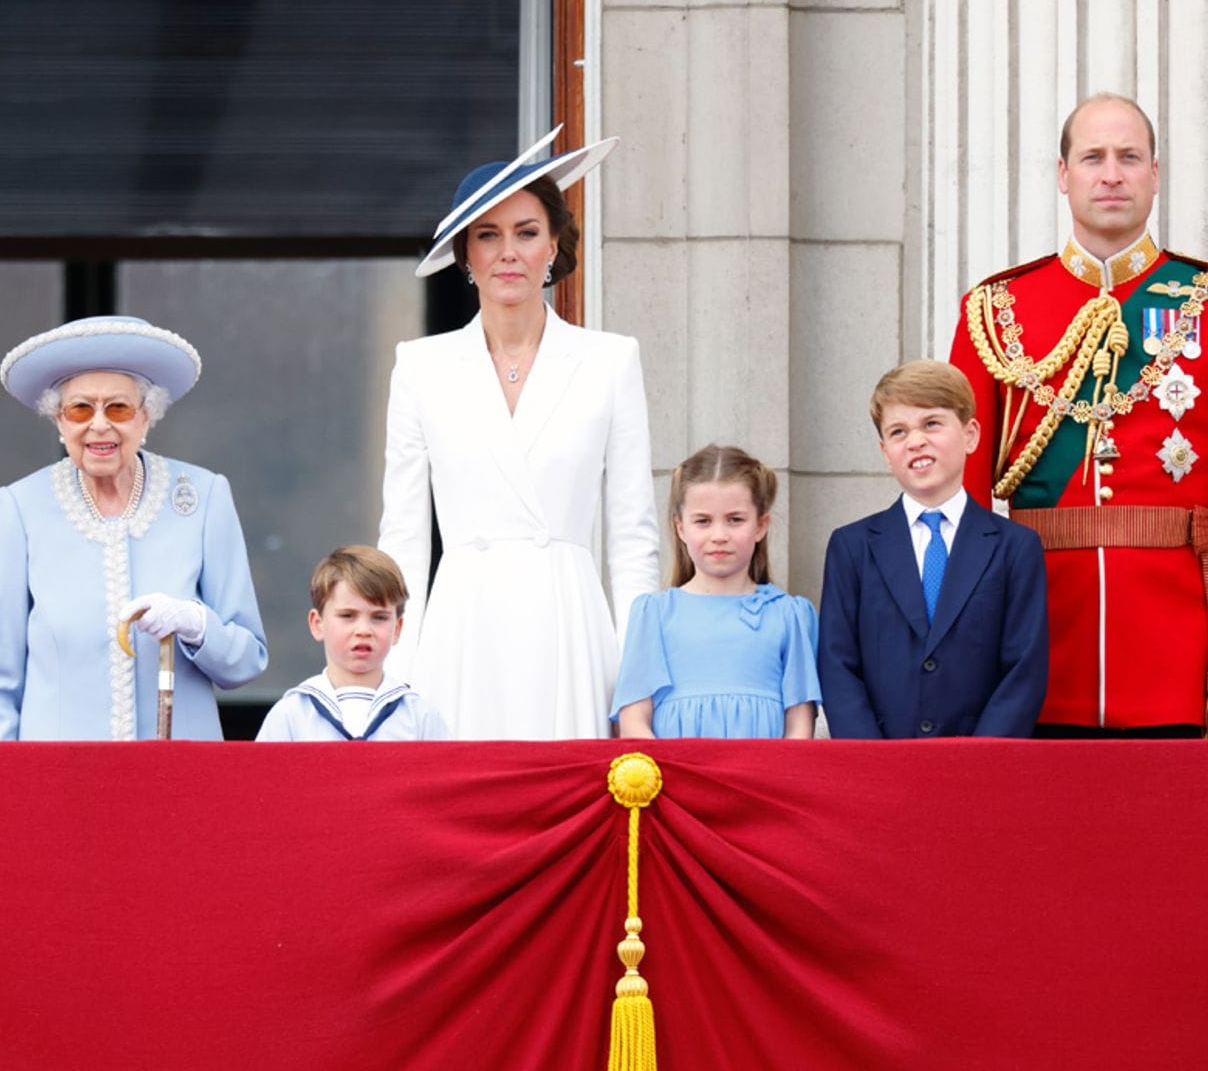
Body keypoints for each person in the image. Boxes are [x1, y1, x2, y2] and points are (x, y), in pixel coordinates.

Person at [378, 124, 658, 739]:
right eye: (488, 235)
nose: (509, 252)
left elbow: (634, 539)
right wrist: (396, 675)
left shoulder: (611, 360)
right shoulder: (419, 366)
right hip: (462, 625)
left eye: (527, 233)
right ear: (466, 256)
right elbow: (402, 536)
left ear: (554, 245)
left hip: (569, 621)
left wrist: (636, 680)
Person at [947, 93, 1208, 737]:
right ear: (1064, 176)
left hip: (1178, 654)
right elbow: (963, 501)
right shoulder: (996, 308)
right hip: (1035, 652)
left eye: (1129, 157)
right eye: (1093, 157)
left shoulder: (1201, 301)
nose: (1111, 174)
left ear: (1156, 173)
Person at [0, 316, 267, 740]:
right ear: (59, 421)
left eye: (119, 408)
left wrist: (198, 624)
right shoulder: (21, 507)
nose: (100, 425)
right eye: (80, 408)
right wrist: (5, 788)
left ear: (146, 417)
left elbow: (246, 661)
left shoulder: (203, 497)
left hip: (178, 778)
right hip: (60, 779)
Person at [819, 362, 1049, 739]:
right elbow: (837, 662)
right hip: (881, 764)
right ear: (885, 451)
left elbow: (1024, 667)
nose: (915, 441)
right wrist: (870, 758)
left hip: (977, 766)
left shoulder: (1015, 547)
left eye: (931, 424)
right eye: (898, 431)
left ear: (970, 434)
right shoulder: (852, 547)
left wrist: (977, 760)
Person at [612, 446, 818, 739]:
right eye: (703, 521)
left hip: (758, 779)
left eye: (735, 519)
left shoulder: (789, 615)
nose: (719, 535)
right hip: (676, 779)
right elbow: (633, 721)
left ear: (761, 525)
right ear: (681, 528)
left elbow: (799, 726)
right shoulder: (654, 613)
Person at [256, 545, 449, 742]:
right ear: (317, 623)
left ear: (397, 629)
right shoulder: (290, 716)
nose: (363, 630)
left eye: (379, 617)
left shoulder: (420, 717)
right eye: (347, 616)